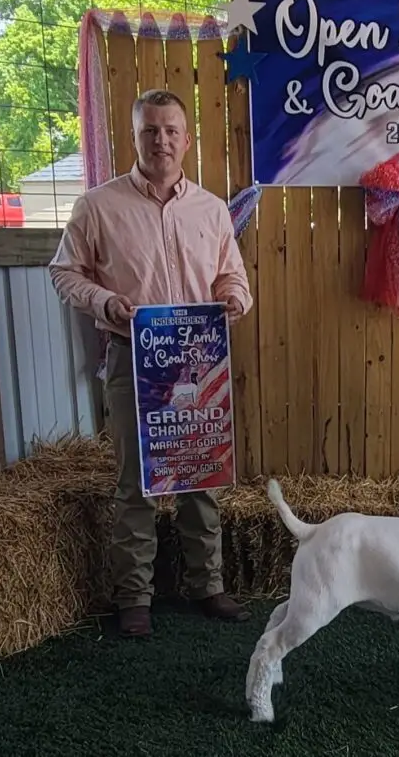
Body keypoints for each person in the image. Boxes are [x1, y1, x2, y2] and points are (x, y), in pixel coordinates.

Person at [49, 89, 254, 638]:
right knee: (135, 482)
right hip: (129, 356)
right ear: (133, 137)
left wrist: (235, 298)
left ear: (187, 140)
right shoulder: (98, 206)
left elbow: (232, 275)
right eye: (149, 131)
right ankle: (133, 597)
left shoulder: (211, 210)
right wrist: (105, 302)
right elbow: (65, 273)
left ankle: (207, 585)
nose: (161, 140)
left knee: (201, 477)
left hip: (196, 363)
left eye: (170, 131)